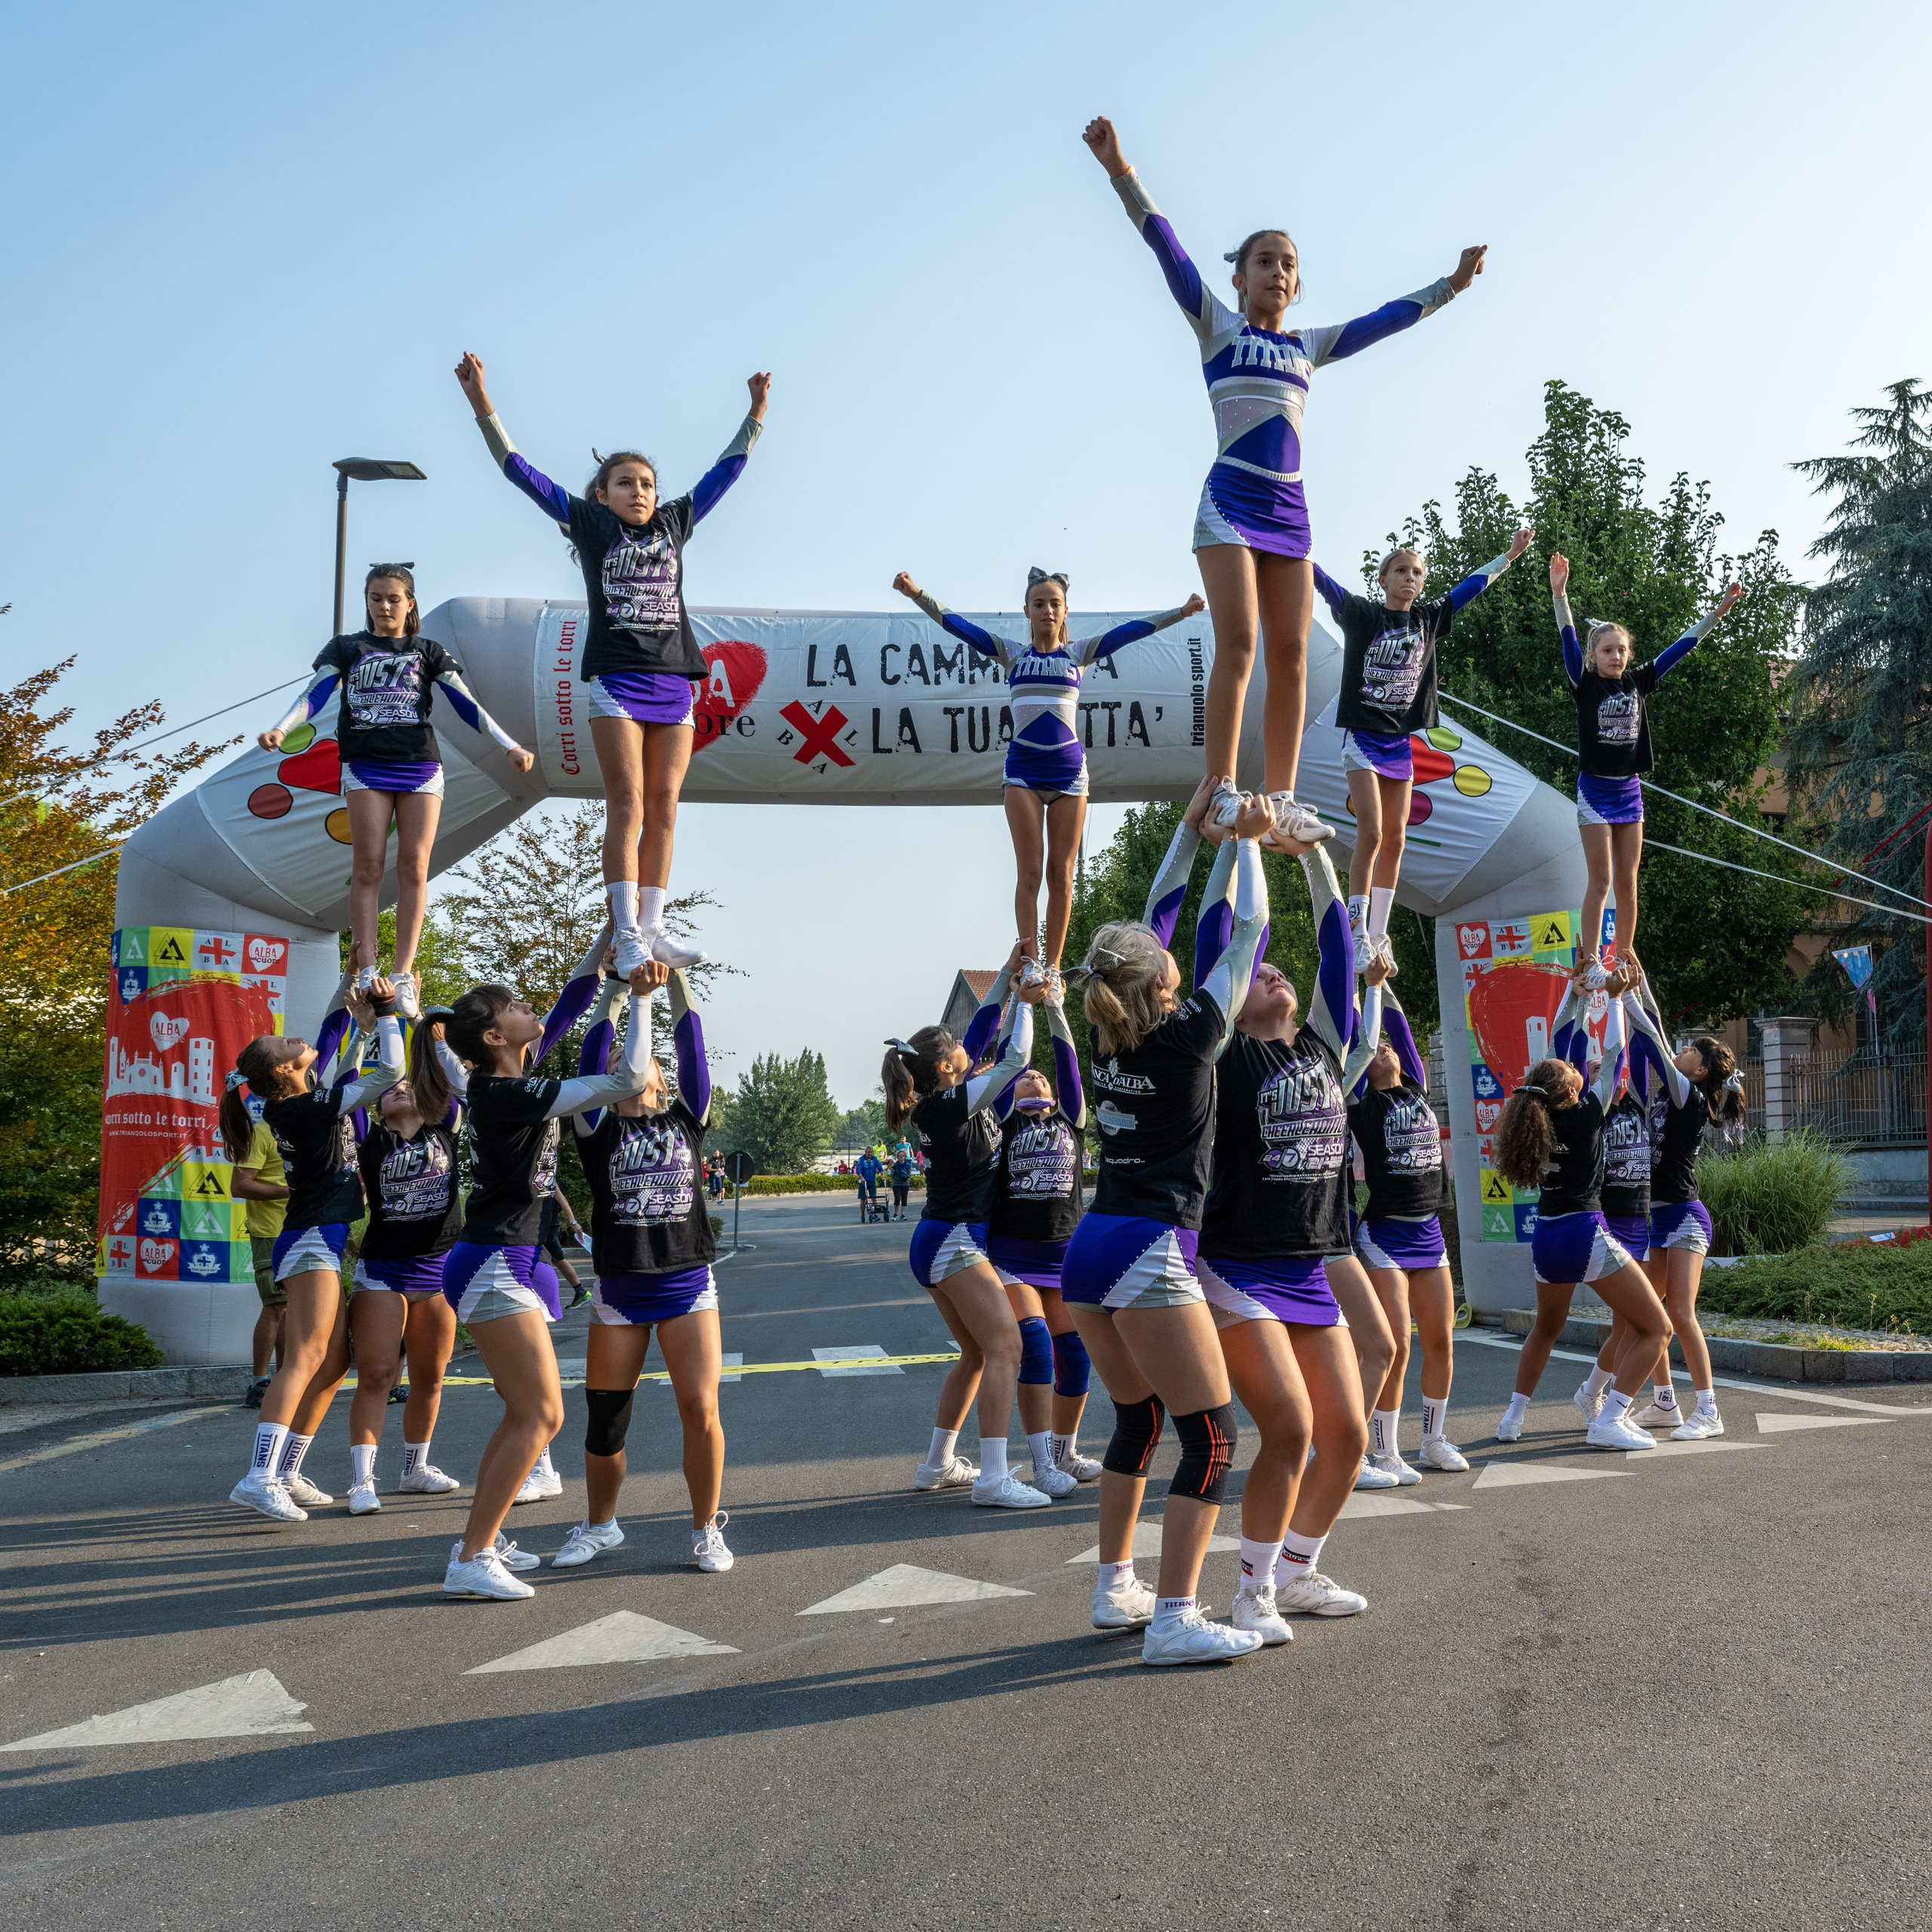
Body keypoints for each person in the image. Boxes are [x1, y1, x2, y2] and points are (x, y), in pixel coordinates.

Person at [1082, 112, 1488, 846]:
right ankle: (1221, 792)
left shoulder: (1309, 345)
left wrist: (1450, 286)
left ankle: (1282, 797)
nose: (1277, 270)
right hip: (1230, 507)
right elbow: (1165, 248)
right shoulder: (1216, 326)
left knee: (1293, 652)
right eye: (1264, 260)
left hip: (1290, 515)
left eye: (1287, 263)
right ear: (1239, 278)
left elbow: (1384, 319)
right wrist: (1122, 171)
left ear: (1296, 285)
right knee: (1238, 644)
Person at [455, 349, 770, 977]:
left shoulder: (676, 523)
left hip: (675, 684)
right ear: (603, 495)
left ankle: (653, 929)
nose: (639, 492)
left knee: (666, 806)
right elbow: (520, 471)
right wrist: (480, 401)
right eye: (625, 483)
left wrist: (755, 414)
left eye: (647, 483)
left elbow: (725, 473)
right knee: (626, 802)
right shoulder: (590, 525)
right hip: (619, 685)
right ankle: (625, 933)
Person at [1058, 781, 1275, 1666]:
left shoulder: (1109, 1030)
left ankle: (1117, 1586)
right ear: (1154, 979)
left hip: (1094, 1248)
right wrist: (1249, 840)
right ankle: (1175, 1616)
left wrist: (1195, 832)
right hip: (1148, 1247)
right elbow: (1248, 930)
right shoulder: (1189, 1037)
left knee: (1139, 1420)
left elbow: (1161, 919)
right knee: (1213, 1436)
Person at [1189, 813, 1383, 1640]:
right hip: (1236, 1264)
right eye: (1258, 971)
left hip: (1306, 1265)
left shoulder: (1325, 1047)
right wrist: (1238, 843)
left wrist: (1316, 858)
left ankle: (1296, 1572)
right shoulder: (1226, 1056)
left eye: (1277, 971)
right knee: (1292, 1428)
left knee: (1346, 1432)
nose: (1269, 972)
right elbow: (1220, 941)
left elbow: (1341, 952)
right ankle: (1249, 1592)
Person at [420, 924, 654, 1601]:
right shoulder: (506, 1094)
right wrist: (638, 999)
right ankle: (471, 1558)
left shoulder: (508, 1077)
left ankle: (482, 1543)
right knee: (541, 1416)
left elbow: (571, 1002)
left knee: (522, 1414)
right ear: (494, 1037)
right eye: (517, 1007)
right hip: (493, 1260)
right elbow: (629, 1078)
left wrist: (615, 947)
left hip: (504, 1259)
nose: (533, 1010)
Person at [893, 567, 1204, 985]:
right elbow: (958, 626)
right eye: (1039, 604)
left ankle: (1054, 967)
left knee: (1062, 874)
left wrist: (1181, 613)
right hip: (1022, 772)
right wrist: (916, 594)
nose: (1047, 611)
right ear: (1027, 610)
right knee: (1029, 873)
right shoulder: (1013, 655)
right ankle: (1030, 961)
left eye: (1054, 604)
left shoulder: (1078, 655)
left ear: (1064, 611)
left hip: (1069, 776)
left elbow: (1131, 631)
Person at [258, 565, 534, 1014]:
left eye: (393, 598)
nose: (384, 607)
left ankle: (403, 974)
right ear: (367, 602)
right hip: (367, 765)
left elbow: (466, 703)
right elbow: (317, 692)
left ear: (410, 603)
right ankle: (367, 969)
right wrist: (281, 727)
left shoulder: (428, 651)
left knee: (414, 866)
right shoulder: (347, 648)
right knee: (367, 866)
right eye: (375, 598)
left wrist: (510, 745)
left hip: (419, 766)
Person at [556, 961, 734, 1573]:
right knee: (606, 1419)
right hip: (619, 1293)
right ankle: (599, 1525)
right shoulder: (594, 1127)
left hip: (687, 1286)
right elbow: (592, 1056)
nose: (633, 1071)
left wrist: (671, 979)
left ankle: (707, 1528)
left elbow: (693, 1048)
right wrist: (615, 989)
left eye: (646, 1067)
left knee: (700, 1410)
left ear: (661, 1082)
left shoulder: (688, 1118)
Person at [221, 977, 404, 1521]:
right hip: (308, 1240)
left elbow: (327, 1041)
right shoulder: (306, 1108)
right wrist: (389, 1012)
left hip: (319, 1237)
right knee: (303, 1358)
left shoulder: (306, 1098)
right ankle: (258, 1475)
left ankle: (287, 1470)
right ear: (282, 1070)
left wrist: (349, 992)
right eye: (283, 1045)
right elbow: (390, 1072)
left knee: (334, 1362)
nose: (293, 1039)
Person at [1314, 531, 1532, 971]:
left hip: (1400, 743)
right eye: (1401, 570)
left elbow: (1468, 589)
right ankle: (1356, 933)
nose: (1409, 577)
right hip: (1363, 737)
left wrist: (1507, 556)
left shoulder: (1427, 621)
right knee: (1371, 835)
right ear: (1383, 579)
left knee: (1396, 839)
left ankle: (1378, 935)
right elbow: (1324, 584)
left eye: (1417, 573)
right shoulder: (1363, 615)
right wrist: (1296, 548)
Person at [883, 950, 1051, 1511]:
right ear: (946, 1070)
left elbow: (980, 1035)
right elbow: (1014, 1058)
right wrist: (1026, 1002)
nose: (966, 1048)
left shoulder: (946, 1096)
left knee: (977, 1354)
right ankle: (993, 1478)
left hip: (941, 1239)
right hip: (952, 1239)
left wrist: (1007, 974)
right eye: (956, 1049)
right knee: (1007, 1347)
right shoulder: (946, 1108)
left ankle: (938, 1463)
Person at [1491, 972, 1674, 1451]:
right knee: (1657, 1327)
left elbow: (1563, 1046)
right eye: (1572, 1070)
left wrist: (1574, 998)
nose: (1578, 1065)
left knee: (1545, 1328)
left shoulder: (1541, 1116)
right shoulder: (1588, 1112)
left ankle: (1512, 1418)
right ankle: (1610, 1418)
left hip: (1546, 1236)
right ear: (1571, 1089)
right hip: (1582, 1233)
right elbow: (1614, 1054)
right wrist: (1612, 1000)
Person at [1552, 554, 1745, 982]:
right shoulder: (1584, 684)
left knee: (1628, 880)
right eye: (1607, 650)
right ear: (1593, 656)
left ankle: (1623, 952)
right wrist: (1559, 593)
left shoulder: (1639, 682)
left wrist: (1718, 612)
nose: (1616, 656)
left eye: (1622, 650)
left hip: (1629, 790)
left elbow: (1682, 646)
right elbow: (1566, 636)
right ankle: (1592, 958)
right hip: (1595, 792)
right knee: (1600, 881)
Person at [1580, 976, 1745, 1441]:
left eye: (1694, 1048)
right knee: (1644, 1315)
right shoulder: (1677, 1090)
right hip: (1663, 1219)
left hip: (1687, 1220)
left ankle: (1709, 1410)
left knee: (1680, 1316)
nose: (1684, 1049)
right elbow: (1651, 1033)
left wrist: (1626, 996)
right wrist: (1640, 980)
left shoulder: (1688, 1097)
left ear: (1700, 1070)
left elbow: (1651, 1042)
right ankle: (1664, 1404)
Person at [341, 1014, 473, 1513]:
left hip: (440, 1269)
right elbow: (349, 1084)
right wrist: (367, 1027)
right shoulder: (368, 1137)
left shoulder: (447, 1128)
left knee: (430, 1377)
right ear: (376, 1105)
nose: (399, 1086)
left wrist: (421, 1020)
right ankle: (362, 1481)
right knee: (377, 1374)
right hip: (384, 1269)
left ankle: (415, 1468)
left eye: (406, 1082)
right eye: (389, 1086)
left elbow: (450, 1069)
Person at [986, 985, 1101, 1494]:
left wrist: (1056, 1006)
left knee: (1075, 1356)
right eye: (1025, 1074)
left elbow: (1069, 1060)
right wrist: (1025, 1002)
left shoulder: (1070, 1121)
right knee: (1035, 1346)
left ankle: (1064, 1451)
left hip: (1064, 1258)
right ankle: (1040, 1465)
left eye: (1040, 1073)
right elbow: (1012, 1057)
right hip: (1012, 1257)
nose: (1034, 1073)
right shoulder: (1004, 1121)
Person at [1349, 981, 1466, 1481]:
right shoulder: (1363, 1104)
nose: (1382, 1049)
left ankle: (1433, 1440)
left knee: (1440, 1342)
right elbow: (1357, 1041)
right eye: (1372, 1048)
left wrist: (1381, 978)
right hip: (1384, 1234)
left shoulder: (1416, 1086)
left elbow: (1397, 1026)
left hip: (1429, 1234)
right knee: (1394, 1344)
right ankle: (1384, 1450)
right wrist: (1361, 991)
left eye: (1386, 1045)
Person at [232, 1100, 289, 1409]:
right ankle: (258, 1382)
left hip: (299, 1228)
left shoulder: (299, 1133)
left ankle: (283, 1380)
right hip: (269, 1231)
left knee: (289, 1309)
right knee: (276, 1307)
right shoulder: (261, 1133)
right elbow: (239, 1186)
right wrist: (292, 1190)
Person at [854, 1145, 883, 1215]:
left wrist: (883, 1176)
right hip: (863, 1182)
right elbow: (859, 1171)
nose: (870, 1154)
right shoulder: (861, 1159)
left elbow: (880, 1168)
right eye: (868, 1152)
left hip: (872, 1181)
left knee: (874, 1198)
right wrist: (862, 1178)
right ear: (865, 1152)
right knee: (863, 1199)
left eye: (871, 1152)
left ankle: (874, 1214)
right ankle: (862, 1214)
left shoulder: (875, 1159)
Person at [888, 1145, 913, 1220]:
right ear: (898, 1157)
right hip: (896, 1183)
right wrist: (896, 1179)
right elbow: (892, 1174)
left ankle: (902, 1214)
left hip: (905, 1184)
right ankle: (895, 1214)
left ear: (905, 1157)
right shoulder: (895, 1165)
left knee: (904, 1199)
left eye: (902, 1155)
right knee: (897, 1198)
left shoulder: (908, 1165)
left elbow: (909, 1174)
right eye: (900, 1156)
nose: (901, 1157)